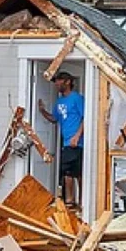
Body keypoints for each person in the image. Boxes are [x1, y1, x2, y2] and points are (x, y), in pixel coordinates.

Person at [37, 71, 84, 207]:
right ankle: (69, 201)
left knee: (78, 173)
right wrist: (42, 111)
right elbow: (54, 119)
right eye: (56, 81)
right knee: (67, 171)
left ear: (67, 82)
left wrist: (77, 136)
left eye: (59, 81)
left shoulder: (76, 98)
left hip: (77, 142)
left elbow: (85, 117)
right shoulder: (59, 102)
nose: (56, 84)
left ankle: (80, 201)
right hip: (66, 142)